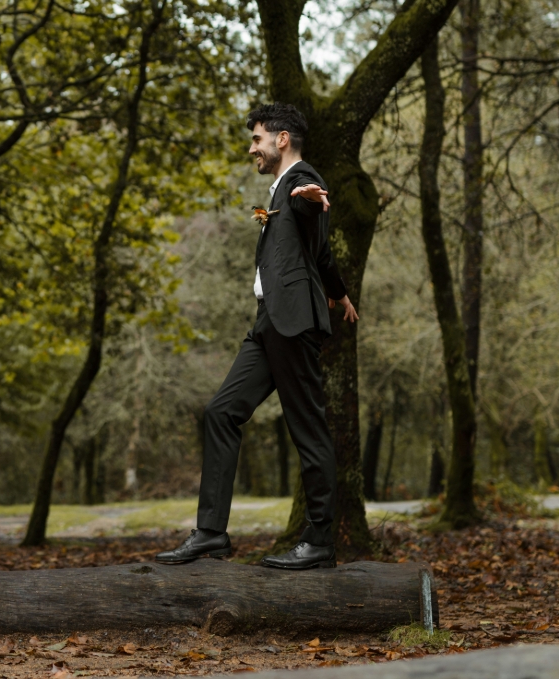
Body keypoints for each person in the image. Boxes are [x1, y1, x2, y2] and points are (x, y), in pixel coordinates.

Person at [156, 103, 358, 570]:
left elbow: (308, 208)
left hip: (293, 322)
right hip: (269, 322)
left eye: (257, 139)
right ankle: (210, 534)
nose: (253, 148)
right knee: (222, 412)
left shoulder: (300, 181)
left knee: (308, 430)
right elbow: (319, 252)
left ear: (281, 139)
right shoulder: (282, 189)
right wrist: (340, 293)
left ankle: (321, 540)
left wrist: (308, 197)